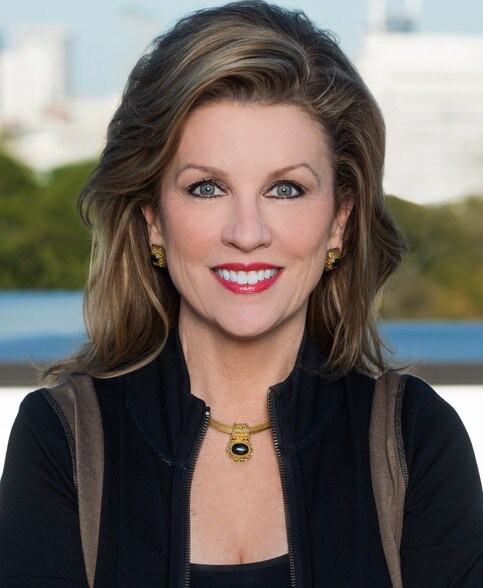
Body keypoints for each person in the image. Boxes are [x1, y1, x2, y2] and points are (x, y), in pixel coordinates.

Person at [0, 1, 482, 586]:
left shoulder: (415, 440)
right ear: (153, 219)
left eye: (286, 188)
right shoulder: (62, 440)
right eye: (207, 188)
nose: (247, 233)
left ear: (339, 221)